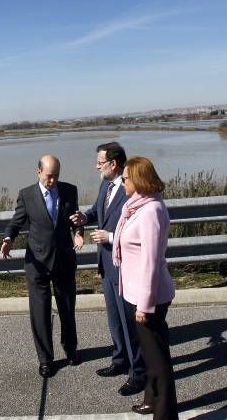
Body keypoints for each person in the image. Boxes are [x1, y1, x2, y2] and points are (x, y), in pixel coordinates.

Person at [70, 142, 146, 396]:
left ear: (113, 164)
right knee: (114, 320)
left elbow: (137, 227)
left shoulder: (130, 188)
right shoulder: (106, 184)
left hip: (125, 266)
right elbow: (97, 211)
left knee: (129, 323)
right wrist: (85, 218)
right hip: (106, 265)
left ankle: (138, 373)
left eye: (100, 162)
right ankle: (120, 359)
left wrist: (110, 236)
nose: (96, 166)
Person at [1, 155, 84, 378]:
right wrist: (8, 239)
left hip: (64, 259)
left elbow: (76, 220)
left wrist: (78, 233)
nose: (53, 181)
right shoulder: (26, 195)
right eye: (49, 176)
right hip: (37, 262)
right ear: (38, 172)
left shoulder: (69, 190)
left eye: (57, 176)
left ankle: (71, 348)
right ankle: (46, 359)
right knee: (40, 312)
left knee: (67, 308)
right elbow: (16, 222)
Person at [112, 156, 178, 420]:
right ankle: (151, 400)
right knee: (151, 357)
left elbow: (151, 262)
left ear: (138, 180)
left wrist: (145, 304)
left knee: (159, 362)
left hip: (148, 297)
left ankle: (165, 415)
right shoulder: (136, 207)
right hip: (135, 294)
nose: (123, 182)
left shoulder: (151, 212)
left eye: (125, 178)